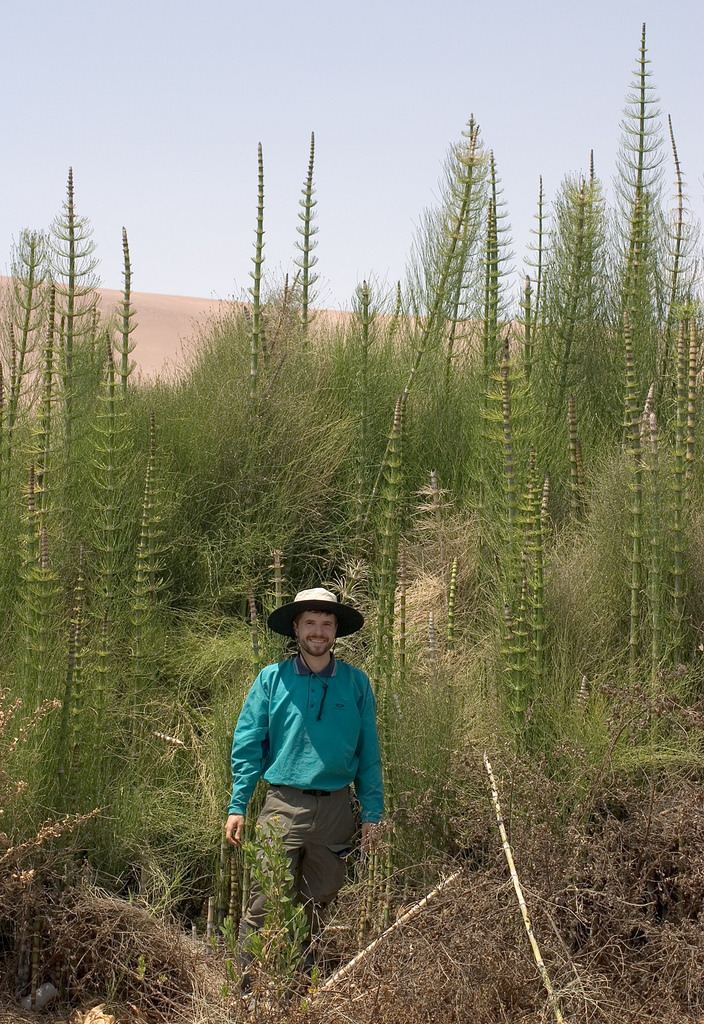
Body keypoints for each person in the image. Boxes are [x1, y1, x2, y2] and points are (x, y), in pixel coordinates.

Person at [224, 587, 384, 979]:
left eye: (326, 624)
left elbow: (369, 754)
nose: (318, 631)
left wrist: (373, 814)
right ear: (295, 628)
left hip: (335, 810)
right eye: (310, 622)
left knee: (318, 903)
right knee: (265, 901)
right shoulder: (271, 680)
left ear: (335, 631)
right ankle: (248, 990)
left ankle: (300, 989)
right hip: (282, 806)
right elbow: (248, 744)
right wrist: (237, 804)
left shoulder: (356, 683)